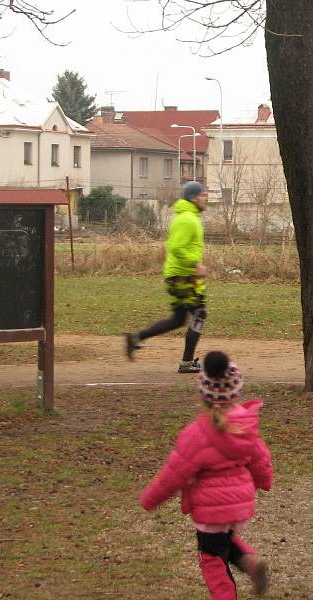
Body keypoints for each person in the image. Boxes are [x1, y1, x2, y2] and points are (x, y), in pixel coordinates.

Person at [140, 351, 274, 598]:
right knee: (224, 541)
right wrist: (264, 481)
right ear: (235, 392)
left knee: (211, 559)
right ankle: (251, 564)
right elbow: (261, 459)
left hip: (211, 509)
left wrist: (150, 499)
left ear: (203, 394)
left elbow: (173, 474)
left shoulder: (196, 435)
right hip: (238, 505)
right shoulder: (246, 426)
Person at [125, 181, 209, 373]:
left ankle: (136, 337)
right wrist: (195, 264)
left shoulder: (186, 216)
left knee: (178, 319)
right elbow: (176, 247)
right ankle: (187, 363)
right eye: (204, 196)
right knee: (200, 314)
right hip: (183, 276)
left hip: (178, 274)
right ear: (194, 198)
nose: (206, 199)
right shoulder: (188, 219)